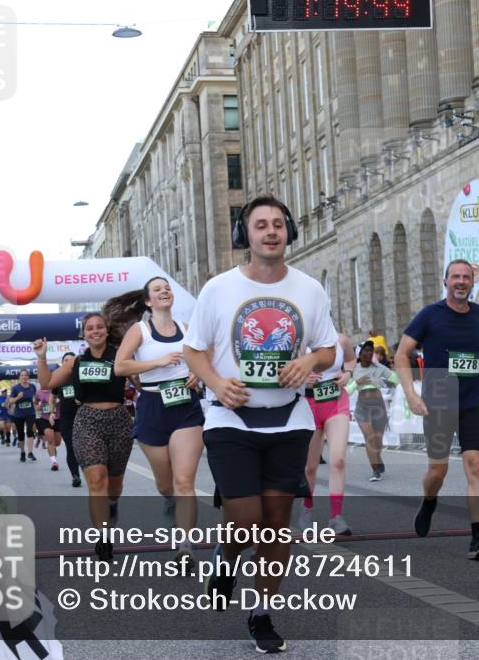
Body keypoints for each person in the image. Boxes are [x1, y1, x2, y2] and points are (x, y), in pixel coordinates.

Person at [183, 195, 337, 653]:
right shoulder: (218, 288)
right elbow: (194, 349)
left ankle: (262, 612)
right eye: (259, 225)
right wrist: (215, 381)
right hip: (229, 418)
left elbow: (328, 350)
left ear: (288, 230)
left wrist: (309, 358)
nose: (270, 232)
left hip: (290, 419)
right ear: (244, 236)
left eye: (277, 224)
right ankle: (225, 560)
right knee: (247, 521)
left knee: (275, 524)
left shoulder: (309, 289)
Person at [395, 259, 479, 561]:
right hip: (439, 398)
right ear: (446, 281)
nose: (461, 281)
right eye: (455, 276)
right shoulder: (430, 315)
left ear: (471, 282)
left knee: (476, 466)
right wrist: (410, 392)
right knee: (437, 470)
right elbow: (402, 354)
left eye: (466, 277)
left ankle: (478, 537)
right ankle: (429, 500)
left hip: (471, 400)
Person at [113, 276, 205, 565]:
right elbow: (120, 366)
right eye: (157, 289)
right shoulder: (140, 330)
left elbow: (203, 362)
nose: (164, 291)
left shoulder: (187, 330)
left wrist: (198, 374)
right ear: (148, 301)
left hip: (186, 408)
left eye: (167, 288)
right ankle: (169, 501)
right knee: (166, 485)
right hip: (152, 406)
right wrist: (158, 362)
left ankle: (185, 547)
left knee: (184, 481)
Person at [34, 312, 134, 561]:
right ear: (84, 333)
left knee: (115, 486)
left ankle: (112, 506)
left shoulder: (121, 357)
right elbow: (46, 383)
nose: (96, 331)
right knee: (96, 479)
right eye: (90, 328)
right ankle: (103, 537)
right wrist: (42, 357)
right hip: (87, 421)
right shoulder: (75, 362)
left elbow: (143, 382)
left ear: (106, 331)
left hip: (119, 421)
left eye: (100, 326)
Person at [296, 333, 357, 536]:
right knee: (310, 467)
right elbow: (281, 371)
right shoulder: (299, 341)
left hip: (336, 401)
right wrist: (301, 378)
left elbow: (350, 359)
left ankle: (336, 518)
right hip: (307, 404)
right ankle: (306, 511)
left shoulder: (340, 340)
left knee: (338, 461)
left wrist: (347, 374)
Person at [349, 340, 399, 482]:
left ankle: (377, 458)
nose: (369, 353)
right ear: (359, 353)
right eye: (366, 350)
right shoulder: (353, 369)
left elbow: (396, 379)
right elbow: (346, 391)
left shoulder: (379, 367)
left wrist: (390, 379)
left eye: (371, 350)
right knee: (370, 439)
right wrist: (357, 382)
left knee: (378, 441)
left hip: (378, 406)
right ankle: (375, 470)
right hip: (362, 407)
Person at [52, 352, 82, 487]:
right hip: (66, 419)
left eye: (72, 360)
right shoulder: (59, 379)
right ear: (62, 363)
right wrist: (52, 412)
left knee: (84, 447)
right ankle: (75, 476)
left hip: (84, 417)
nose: (69, 362)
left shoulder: (82, 376)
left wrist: (83, 399)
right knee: (71, 448)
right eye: (66, 360)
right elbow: (52, 397)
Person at [6, 371, 37, 462]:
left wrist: (36, 402)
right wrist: (18, 397)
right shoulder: (16, 388)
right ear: (20, 377)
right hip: (19, 414)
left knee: (29, 430)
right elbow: (10, 401)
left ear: (28, 377)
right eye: (22, 375)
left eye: (26, 375)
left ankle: (30, 452)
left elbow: (35, 398)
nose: (24, 377)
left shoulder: (32, 387)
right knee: (21, 434)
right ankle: (22, 452)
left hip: (30, 413)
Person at [34, 385, 60, 470]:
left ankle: (53, 447)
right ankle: (54, 462)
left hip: (57, 418)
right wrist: (37, 407)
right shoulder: (39, 392)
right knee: (50, 439)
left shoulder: (56, 388)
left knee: (57, 443)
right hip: (45, 419)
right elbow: (35, 402)